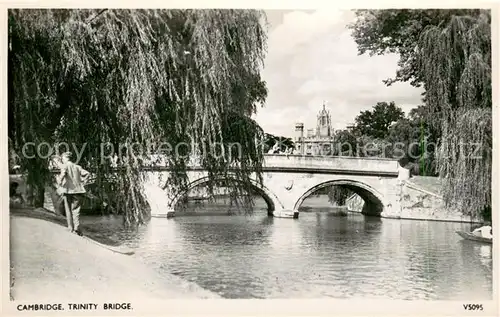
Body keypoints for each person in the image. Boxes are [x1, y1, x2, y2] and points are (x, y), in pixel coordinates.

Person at [56, 152, 90, 236]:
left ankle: (70, 227)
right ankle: (77, 228)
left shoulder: (65, 166)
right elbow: (87, 174)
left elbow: (63, 174)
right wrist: (83, 182)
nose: (62, 160)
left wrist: (59, 181)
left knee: (68, 209)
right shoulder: (77, 167)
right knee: (76, 209)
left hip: (68, 191)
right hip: (78, 191)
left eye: (62, 159)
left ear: (65, 158)